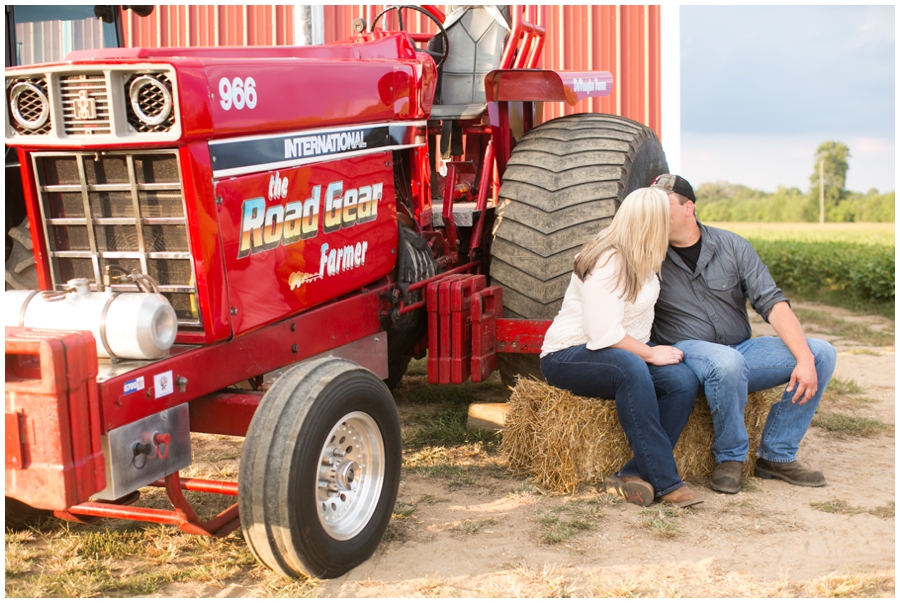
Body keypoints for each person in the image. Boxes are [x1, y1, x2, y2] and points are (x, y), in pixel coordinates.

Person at [649, 174, 836, 494]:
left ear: (688, 208)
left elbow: (773, 303)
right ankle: (730, 459)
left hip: (740, 348)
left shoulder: (733, 246)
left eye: (661, 206)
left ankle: (776, 455)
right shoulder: (648, 254)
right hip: (686, 353)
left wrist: (803, 357)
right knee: (727, 362)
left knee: (821, 353)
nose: (652, 214)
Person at [540, 187, 704, 508]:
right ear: (650, 222)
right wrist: (651, 353)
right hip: (569, 354)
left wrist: (651, 354)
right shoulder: (609, 260)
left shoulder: (645, 255)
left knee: (682, 381)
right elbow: (603, 334)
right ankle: (665, 481)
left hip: (618, 351)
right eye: (664, 216)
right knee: (631, 368)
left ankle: (630, 475)